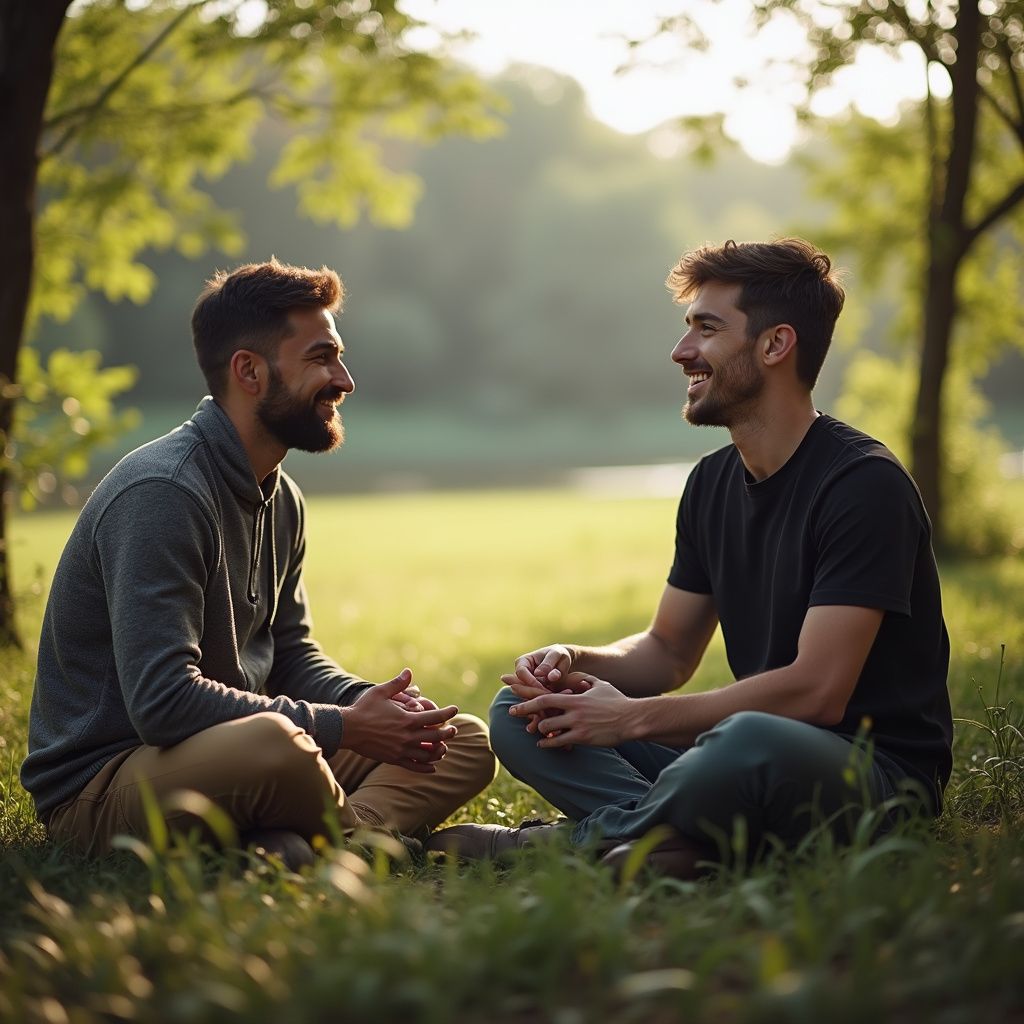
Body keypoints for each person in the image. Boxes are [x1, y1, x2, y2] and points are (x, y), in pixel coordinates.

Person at [428, 238, 952, 878]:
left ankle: (549, 846)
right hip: (742, 758)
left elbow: (818, 691)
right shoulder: (710, 483)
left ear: (774, 345)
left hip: (873, 774)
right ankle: (693, 840)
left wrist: (629, 720)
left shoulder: (863, 484)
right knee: (522, 712)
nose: (682, 352)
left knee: (744, 740)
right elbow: (669, 651)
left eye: (707, 329)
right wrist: (575, 661)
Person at [22, 259, 496, 868]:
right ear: (248, 370)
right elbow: (162, 703)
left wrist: (380, 711)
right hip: (107, 781)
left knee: (458, 740)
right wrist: (347, 728)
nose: (344, 379)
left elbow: (291, 656)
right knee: (280, 746)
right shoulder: (163, 493)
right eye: (322, 358)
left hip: (234, 749)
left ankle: (311, 842)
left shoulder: (281, 495)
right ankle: (359, 845)